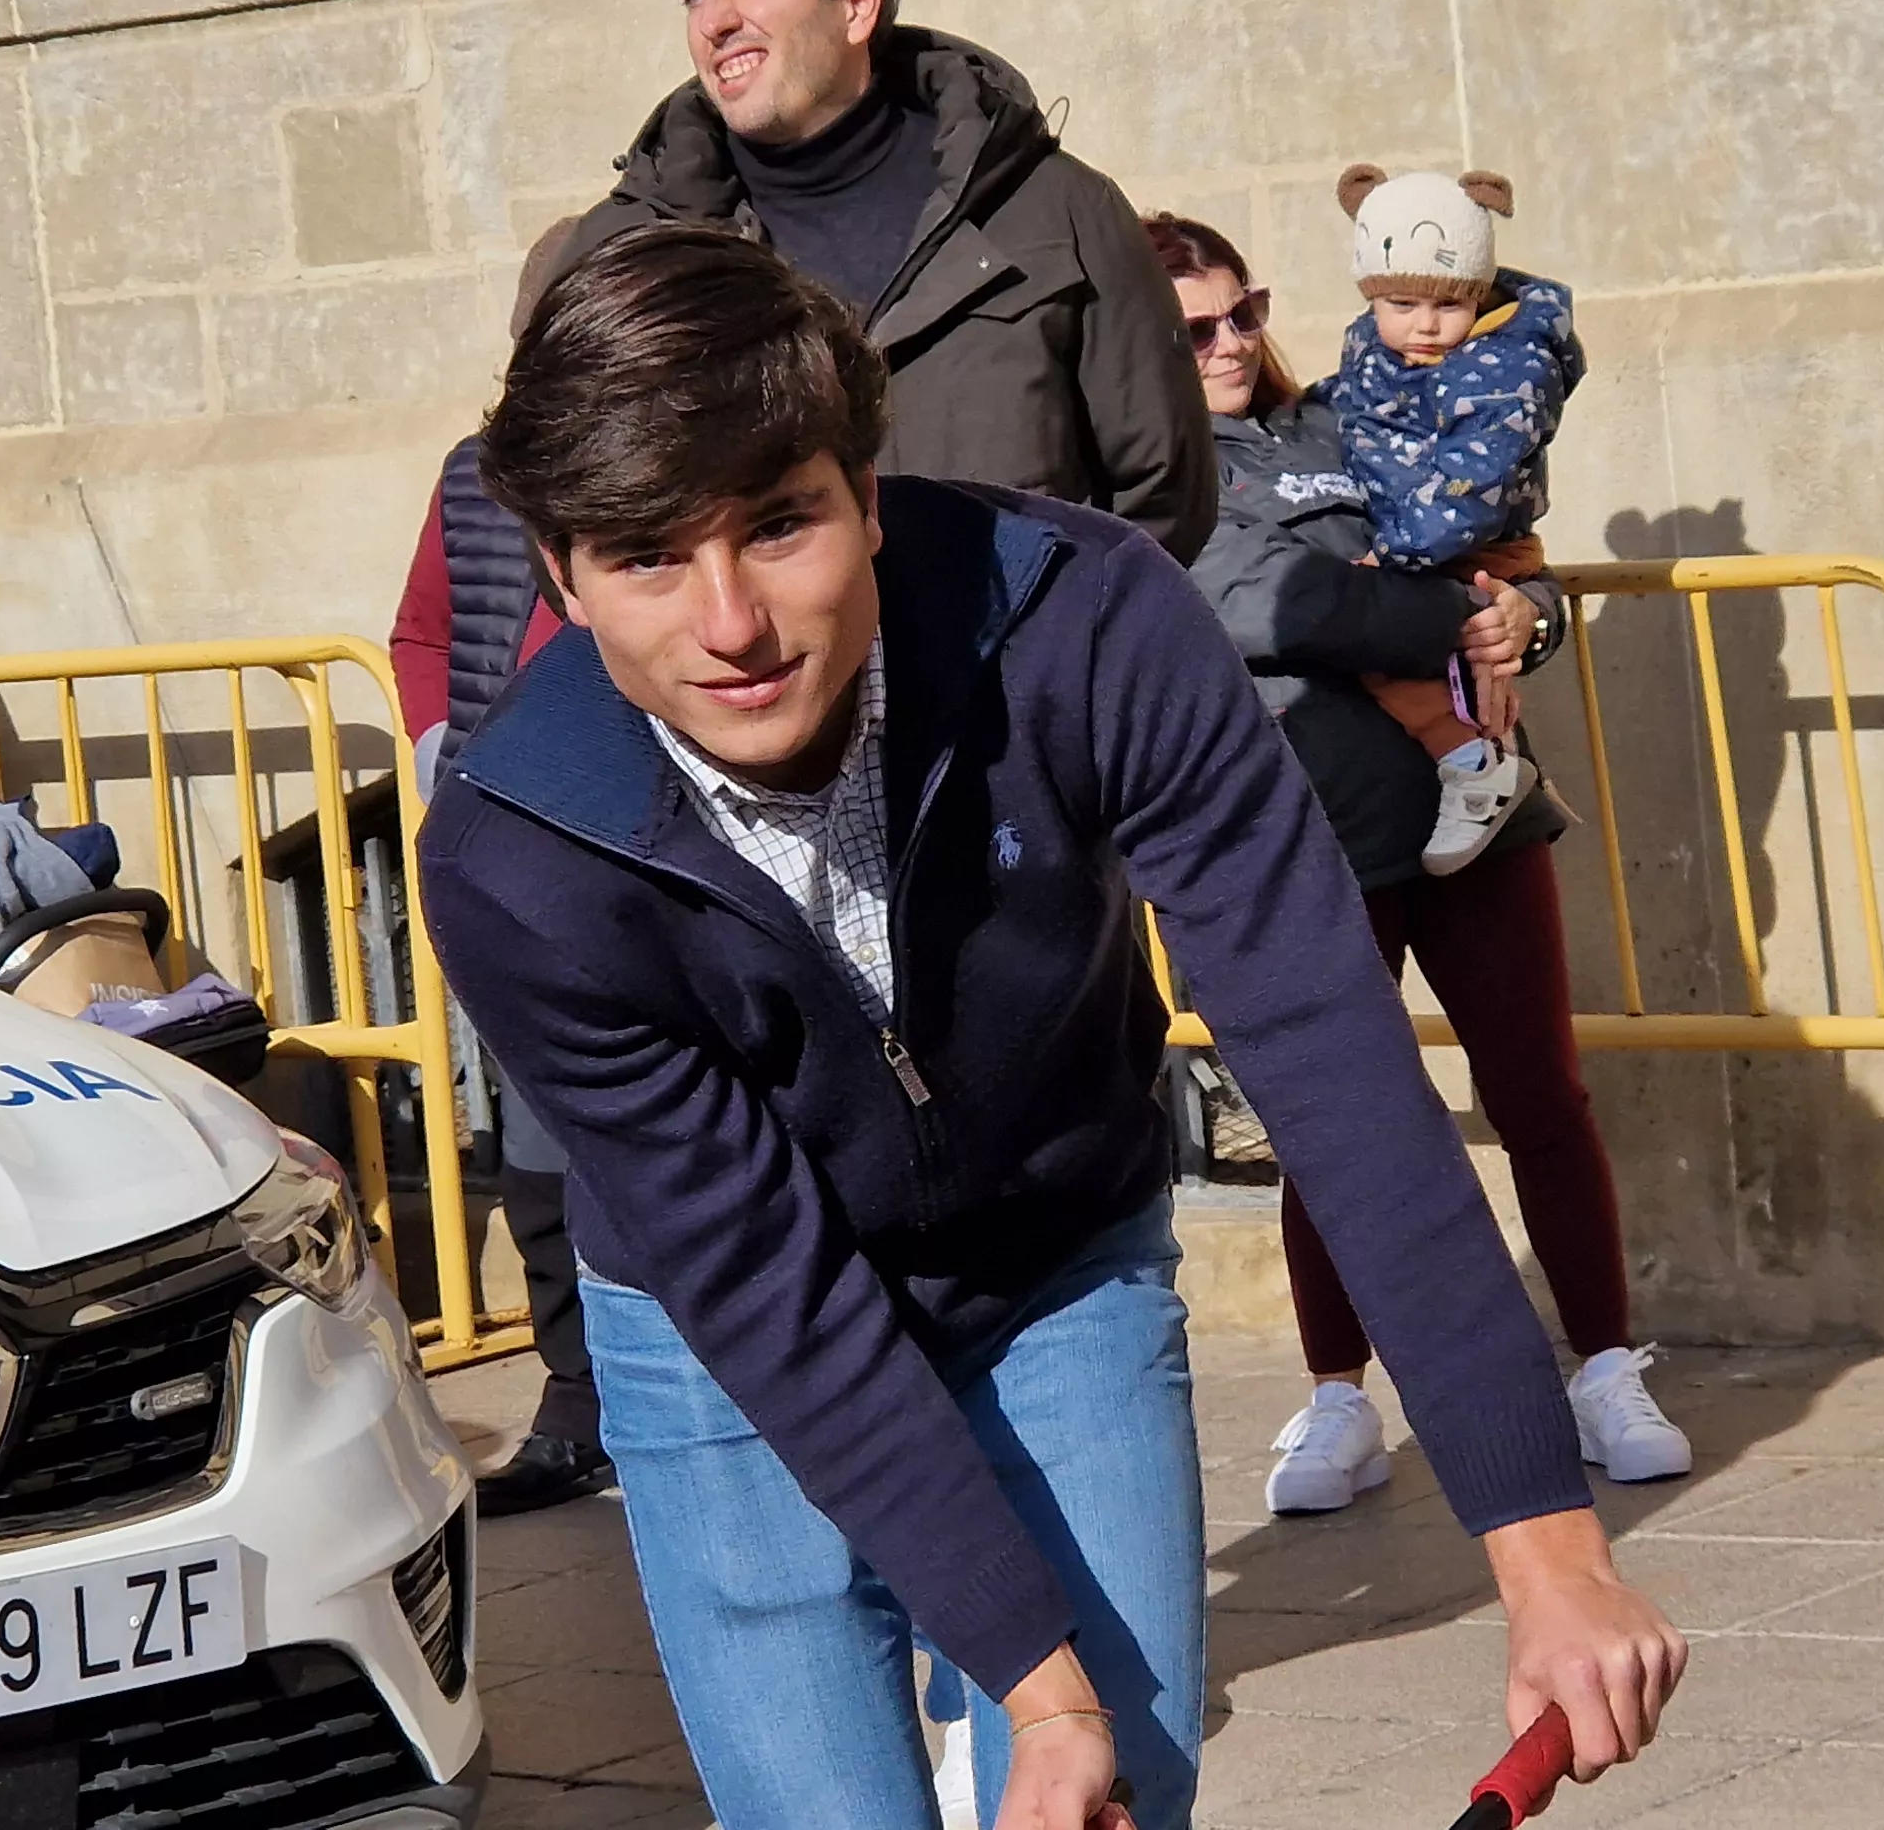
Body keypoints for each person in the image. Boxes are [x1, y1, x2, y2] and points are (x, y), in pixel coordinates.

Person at [420, 223, 1683, 1830]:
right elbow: (772, 1292)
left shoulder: (1084, 619)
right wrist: (1039, 1686)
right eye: (648, 558)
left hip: (1055, 1261)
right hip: (729, 1335)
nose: (731, 622)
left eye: (780, 525)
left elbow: (1329, 1051)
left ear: (867, 495)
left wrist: (1545, 1546)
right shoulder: (519, 855)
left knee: (1122, 1791)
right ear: (561, 575)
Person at [1150, 211, 1689, 1516]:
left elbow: (1498, 543)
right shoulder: (1155, 481)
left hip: (1479, 814)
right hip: (1309, 837)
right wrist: (1451, 611)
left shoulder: (1359, 413)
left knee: (1541, 1097)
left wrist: (1522, 617)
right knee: (1334, 1133)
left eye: (1243, 311)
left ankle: (1605, 1370)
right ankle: (1340, 1395)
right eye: (1194, 330)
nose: (1229, 344)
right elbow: (1269, 606)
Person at [564, 0, 1216, 563]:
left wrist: (1061, 636)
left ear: (856, 3)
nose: (715, 21)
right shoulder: (627, 251)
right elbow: (562, 512)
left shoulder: (1054, 208)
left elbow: (1163, 494)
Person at [389, 220, 610, 1518]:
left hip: (632, 837)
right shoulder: (472, 475)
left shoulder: (658, 465)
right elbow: (422, 633)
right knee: (534, 1148)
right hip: (509, 839)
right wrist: (440, 749)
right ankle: (578, 1405)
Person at [1324, 167, 1586, 876]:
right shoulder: (1374, 346)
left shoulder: (1503, 370)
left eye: (1449, 303)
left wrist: (1394, 558)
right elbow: (1353, 405)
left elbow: (1472, 489)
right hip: (1420, 537)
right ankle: (1477, 756)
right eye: (1401, 302)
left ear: (1478, 293)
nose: (1426, 323)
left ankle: (1474, 766)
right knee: (1404, 651)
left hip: (1470, 543)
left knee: (1384, 643)